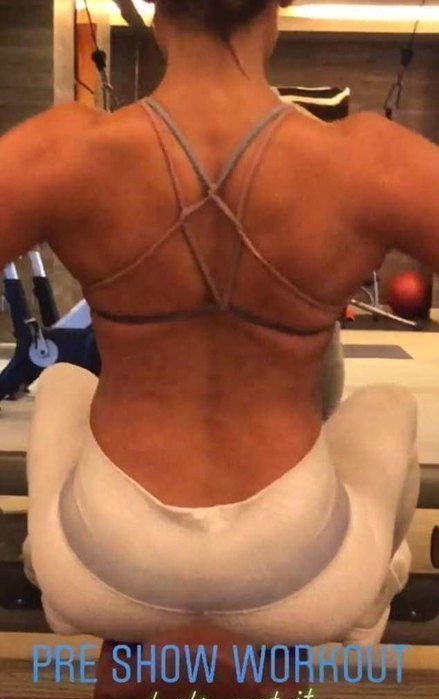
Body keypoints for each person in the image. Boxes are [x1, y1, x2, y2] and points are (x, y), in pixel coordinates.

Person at [1, 0, 437, 644]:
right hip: (300, 573)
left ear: (159, 16)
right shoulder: (369, 159)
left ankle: (51, 563)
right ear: (274, 15)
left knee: (64, 381)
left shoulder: (68, 149)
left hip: (103, 564)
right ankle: (369, 590)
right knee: (390, 406)